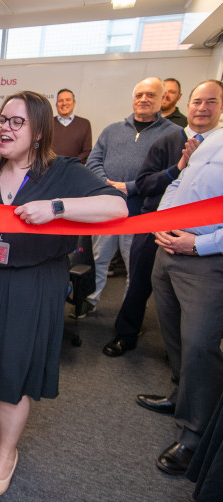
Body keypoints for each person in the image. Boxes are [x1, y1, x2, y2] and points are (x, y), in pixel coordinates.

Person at [0, 90, 126, 497]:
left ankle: (7, 451)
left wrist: (58, 207)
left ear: (40, 129)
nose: (4, 127)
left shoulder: (62, 171)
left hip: (33, 285)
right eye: (1, 119)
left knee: (15, 367)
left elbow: (118, 208)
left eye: (16, 122)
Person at [104, 79, 223, 356]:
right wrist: (177, 169)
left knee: (195, 317)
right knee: (139, 284)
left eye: (211, 102)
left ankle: (183, 360)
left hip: (204, 239)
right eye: (198, 102)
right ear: (188, 105)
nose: (203, 108)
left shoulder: (218, 146)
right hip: (154, 228)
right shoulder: (167, 141)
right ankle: (126, 334)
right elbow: (145, 184)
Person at [137, 126, 223, 476]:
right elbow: (178, 182)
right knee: (171, 331)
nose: (202, 107)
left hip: (205, 258)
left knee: (200, 344)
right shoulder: (212, 138)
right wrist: (165, 221)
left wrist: (198, 244)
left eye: (209, 101)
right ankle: (179, 394)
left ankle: (195, 434)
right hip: (170, 249)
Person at [81, 77, 180, 317]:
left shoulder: (174, 134)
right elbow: (94, 160)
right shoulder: (112, 130)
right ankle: (89, 300)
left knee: (134, 268)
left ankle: (127, 313)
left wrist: (129, 187)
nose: (144, 99)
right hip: (106, 208)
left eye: (151, 95)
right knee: (98, 258)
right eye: (139, 95)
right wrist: (107, 185)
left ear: (162, 99)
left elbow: (171, 173)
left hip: (140, 213)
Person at [51, 88, 92, 164]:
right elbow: (42, 148)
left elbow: (87, 151)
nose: (64, 103)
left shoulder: (85, 124)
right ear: (56, 105)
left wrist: (70, 163)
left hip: (75, 170)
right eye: (60, 101)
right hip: (50, 169)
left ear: (74, 103)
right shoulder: (48, 123)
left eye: (68, 100)